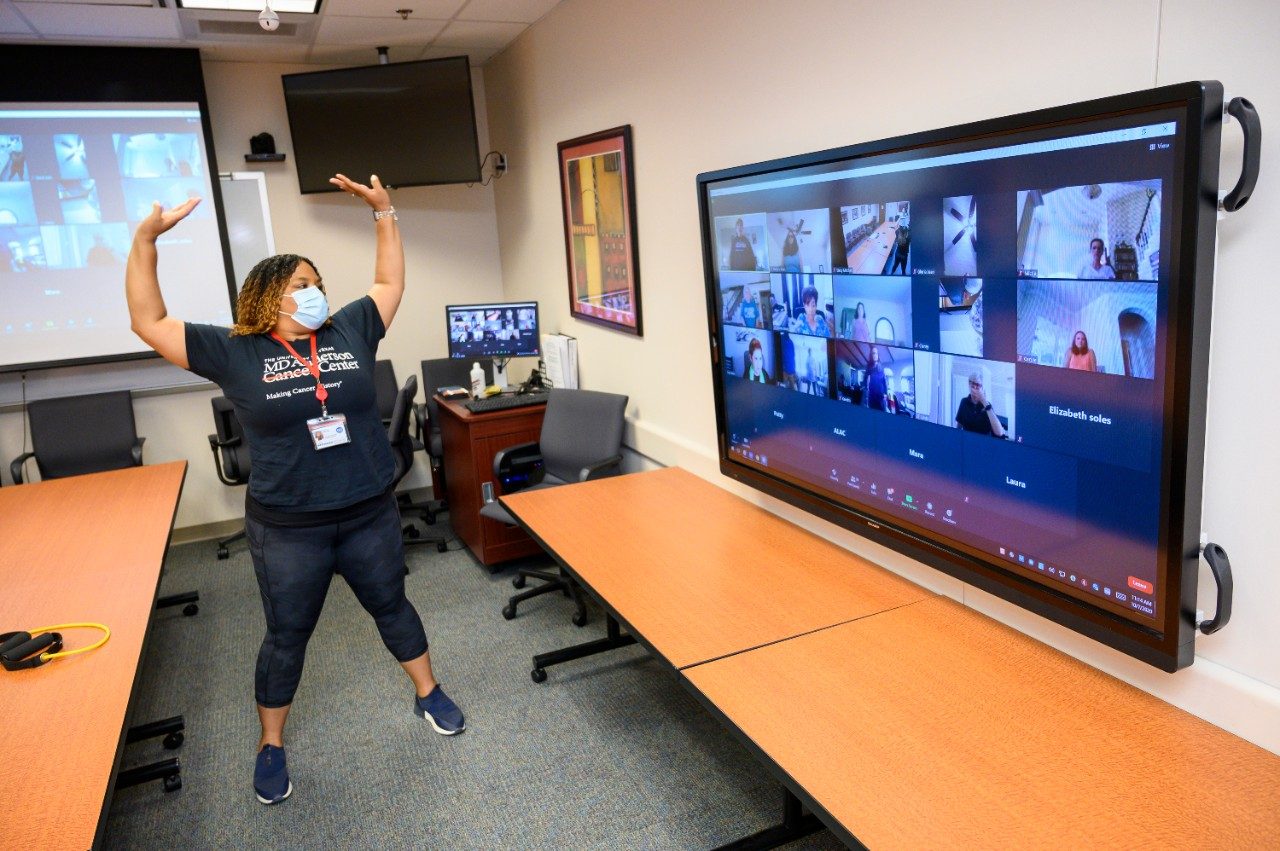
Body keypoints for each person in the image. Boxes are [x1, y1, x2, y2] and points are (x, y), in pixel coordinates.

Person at [124, 172, 466, 808]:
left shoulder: (349, 329)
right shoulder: (235, 351)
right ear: (268, 297)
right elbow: (149, 320)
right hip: (289, 526)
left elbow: (389, 283)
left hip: (368, 511)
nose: (315, 293)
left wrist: (385, 213)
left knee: (392, 605)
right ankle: (271, 743)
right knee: (287, 635)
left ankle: (428, 692)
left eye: (317, 283)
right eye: (302, 285)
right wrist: (146, 241)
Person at [954, 372, 1007, 437]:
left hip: (983, 441)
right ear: (969, 384)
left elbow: (999, 433)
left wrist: (984, 401)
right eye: (972, 383)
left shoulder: (987, 405)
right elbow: (959, 424)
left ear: (982, 388)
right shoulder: (964, 402)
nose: (974, 387)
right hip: (967, 439)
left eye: (978, 385)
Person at [862, 346, 889, 411]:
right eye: (873, 353)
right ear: (871, 355)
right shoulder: (868, 367)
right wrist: (866, 393)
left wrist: (885, 394)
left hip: (881, 399)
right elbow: (864, 381)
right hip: (872, 398)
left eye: (876, 353)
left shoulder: (881, 367)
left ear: (878, 355)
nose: (874, 355)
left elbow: (884, 381)